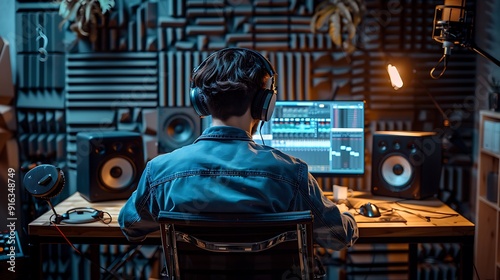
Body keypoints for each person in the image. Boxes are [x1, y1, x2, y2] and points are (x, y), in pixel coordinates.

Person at [118, 47, 358, 251]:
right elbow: (337, 236)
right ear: (263, 105)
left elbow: (131, 226)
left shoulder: (160, 171)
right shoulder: (292, 175)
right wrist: (348, 216)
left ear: (200, 101)